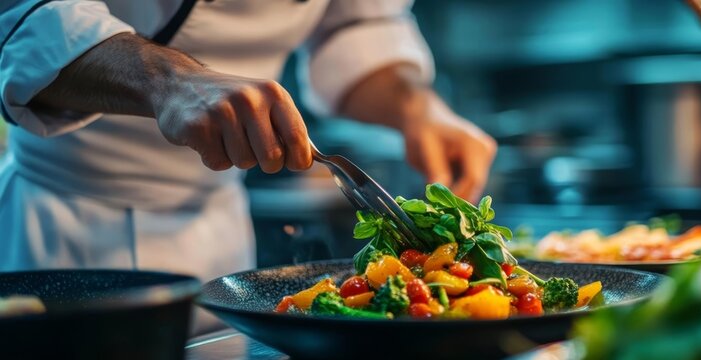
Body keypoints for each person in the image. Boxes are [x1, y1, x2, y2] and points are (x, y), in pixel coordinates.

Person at [0, 0, 496, 331]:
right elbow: (21, 14)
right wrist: (169, 79)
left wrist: (417, 110)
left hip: (220, 238)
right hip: (63, 230)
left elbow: (357, 23)